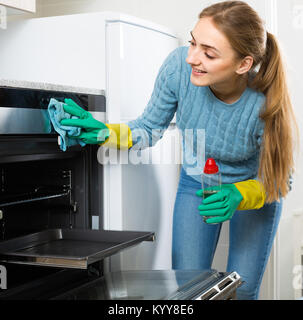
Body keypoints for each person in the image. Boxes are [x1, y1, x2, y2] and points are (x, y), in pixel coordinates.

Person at [60, 1, 298, 300]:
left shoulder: (266, 102)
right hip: (197, 181)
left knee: (243, 288)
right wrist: (104, 131)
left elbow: (280, 180)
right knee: (187, 286)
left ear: (243, 64)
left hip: (253, 187)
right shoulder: (177, 68)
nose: (191, 58)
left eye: (209, 53)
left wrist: (239, 194)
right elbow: (148, 128)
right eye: (192, 42)